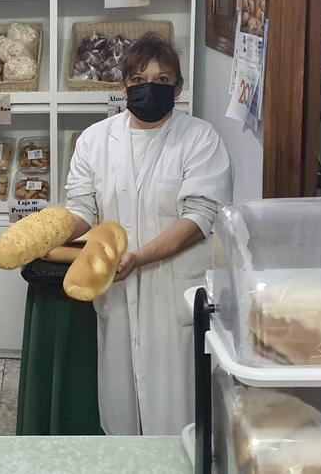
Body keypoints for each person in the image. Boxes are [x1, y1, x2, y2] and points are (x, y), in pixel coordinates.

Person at [63, 32, 232, 435]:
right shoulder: (95, 140)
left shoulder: (199, 139)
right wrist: (51, 230)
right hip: (118, 292)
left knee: (178, 411)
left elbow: (198, 218)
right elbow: (82, 207)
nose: (148, 89)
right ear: (122, 86)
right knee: (120, 407)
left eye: (161, 79)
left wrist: (140, 257)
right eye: (138, 81)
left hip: (172, 289)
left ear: (178, 86)